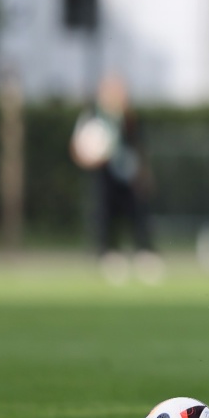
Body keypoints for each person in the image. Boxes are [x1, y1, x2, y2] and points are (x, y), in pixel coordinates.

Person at [70, 74, 163, 285]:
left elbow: (139, 147)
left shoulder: (129, 117)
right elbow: (79, 147)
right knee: (105, 215)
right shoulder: (92, 116)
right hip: (105, 176)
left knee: (138, 213)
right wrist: (91, 157)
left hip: (129, 176)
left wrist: (144, 173)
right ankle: (109, 255)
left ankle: (145, 254)